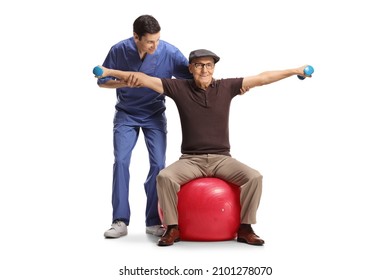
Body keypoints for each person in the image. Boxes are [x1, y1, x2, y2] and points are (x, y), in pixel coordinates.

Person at [93, 49, 311, 246]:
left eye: (208, 65)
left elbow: (263, 78)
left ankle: (245, 228)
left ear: (214, 68)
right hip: (191, 160)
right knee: (164, 177)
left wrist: (295, 71)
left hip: (223, 159)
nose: (204, 69)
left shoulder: (226, 87)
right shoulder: (179, 87)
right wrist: (108, 71)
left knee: (254, 177)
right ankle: (172, 228)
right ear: (190, 68)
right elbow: (142, 79)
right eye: (198, 65)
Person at [96, 15, 193, 238]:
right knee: (121, 161)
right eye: (149, 41)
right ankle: (119, 220)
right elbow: (102, 81)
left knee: (158, 164)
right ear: (136, 37)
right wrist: (123, 82)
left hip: (154, 114)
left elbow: (191, 77)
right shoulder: (119, 50)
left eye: (157, 40)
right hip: (126, 114)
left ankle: (153, 220)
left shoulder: (168, 52)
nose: (154, 45)